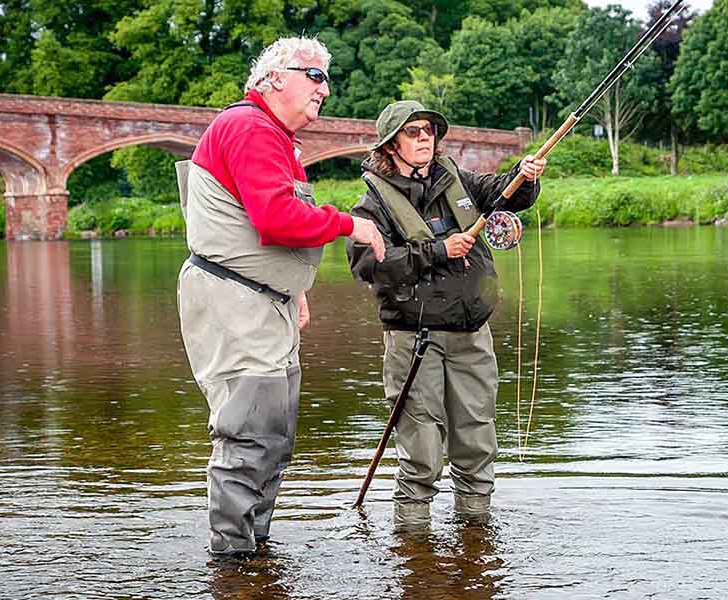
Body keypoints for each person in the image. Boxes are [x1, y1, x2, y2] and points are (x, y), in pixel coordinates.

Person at [175, 35, 385, 557]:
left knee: (273, 434)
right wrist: (350, 225)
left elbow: (255, 224)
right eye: (314, 75)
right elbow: (275, 217)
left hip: (263, 299)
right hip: (235, 301)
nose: (324, 88)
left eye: (326, 79)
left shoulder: (269, 135)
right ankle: (233, 562)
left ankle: (254, 554)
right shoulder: (249, 127)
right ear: (273, 79)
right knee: (249, 435)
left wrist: (294, 289)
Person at [347, 100, 546, 528]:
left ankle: (476, 538)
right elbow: (368, 264)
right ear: (391, 145)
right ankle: (414, 547)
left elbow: (504, 193)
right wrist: (438, 251)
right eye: (413, 132)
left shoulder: (458, 179)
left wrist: (524, 178)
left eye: (428, 131)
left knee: (476, 440)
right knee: (421, 449)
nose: (424, 138)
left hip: (470, 333)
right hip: (412, 340)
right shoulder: (371, 205)